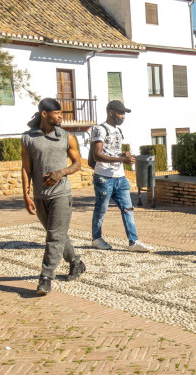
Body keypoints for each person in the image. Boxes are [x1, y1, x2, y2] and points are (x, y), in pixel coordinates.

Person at [21, 98, 86, 295]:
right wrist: (25, 194)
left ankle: (46, 277)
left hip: (61, 194)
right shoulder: (28, 138)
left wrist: (61, 173)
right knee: (56, 234)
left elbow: (77, 164)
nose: (60, 116)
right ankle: (76, 262)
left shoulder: (67, 137)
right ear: (44, 114)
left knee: (53, 237)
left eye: (61, 113)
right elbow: (26, 168)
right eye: (57, 113)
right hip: (40, 196)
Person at [90, 100, 152, 252]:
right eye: (120, 113)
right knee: (101, 209)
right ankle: (96, 239)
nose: (123, 116)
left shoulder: (117, 130)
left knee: (128, 209)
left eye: (124, 113)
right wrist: (121, 159)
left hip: (120, 177)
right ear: (111, 112)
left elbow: (111, 151)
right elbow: (97, 155)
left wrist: (124, 155)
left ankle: (133, 241)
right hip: (104, 177)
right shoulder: (100, 129)